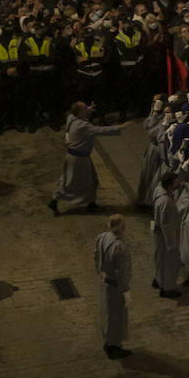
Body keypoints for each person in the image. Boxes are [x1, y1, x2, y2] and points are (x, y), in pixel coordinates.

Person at [49, 102, 127, 215]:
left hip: (75, 157)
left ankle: (89, 204)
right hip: (78, 159)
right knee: (73, 182)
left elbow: (79, 113)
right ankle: (57, 202)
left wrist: (89, 108)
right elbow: (100, 131)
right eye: (85, 108)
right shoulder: (83, 126)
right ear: (80, 112)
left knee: (76, 180)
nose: (87, 109)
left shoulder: (71, 117)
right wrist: (120, 127)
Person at [94, 213, 132, 359]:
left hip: (105, 282)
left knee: (108, 313)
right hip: (116, 286)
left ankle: (109, 341)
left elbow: (96, 256)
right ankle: (113, 346)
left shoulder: (102, 237)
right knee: (116, 317)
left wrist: (101, 272)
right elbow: (122, 273)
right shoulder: (119, 247)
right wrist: (126, 292)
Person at [151, 171, 183, 298]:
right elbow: (167, 225)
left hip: (157, 232)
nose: (178, 184)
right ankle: (168, 288)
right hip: (165, 237)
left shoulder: (159, 190)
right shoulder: (166, 202)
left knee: (159, 259)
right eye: (176, 182)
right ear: (170, 185)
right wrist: (172, 244)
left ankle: (158, 280)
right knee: (169, 263)